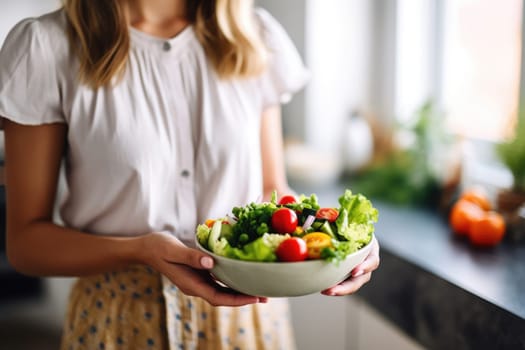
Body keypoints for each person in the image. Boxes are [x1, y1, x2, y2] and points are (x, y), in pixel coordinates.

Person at [0, 0, 380, 349]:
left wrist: (341, 239)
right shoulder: (47, 47)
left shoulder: (251, 34)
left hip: (247, 321)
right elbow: (26, 243)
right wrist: (139, 250)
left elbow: (271, 190)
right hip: (119, 322)